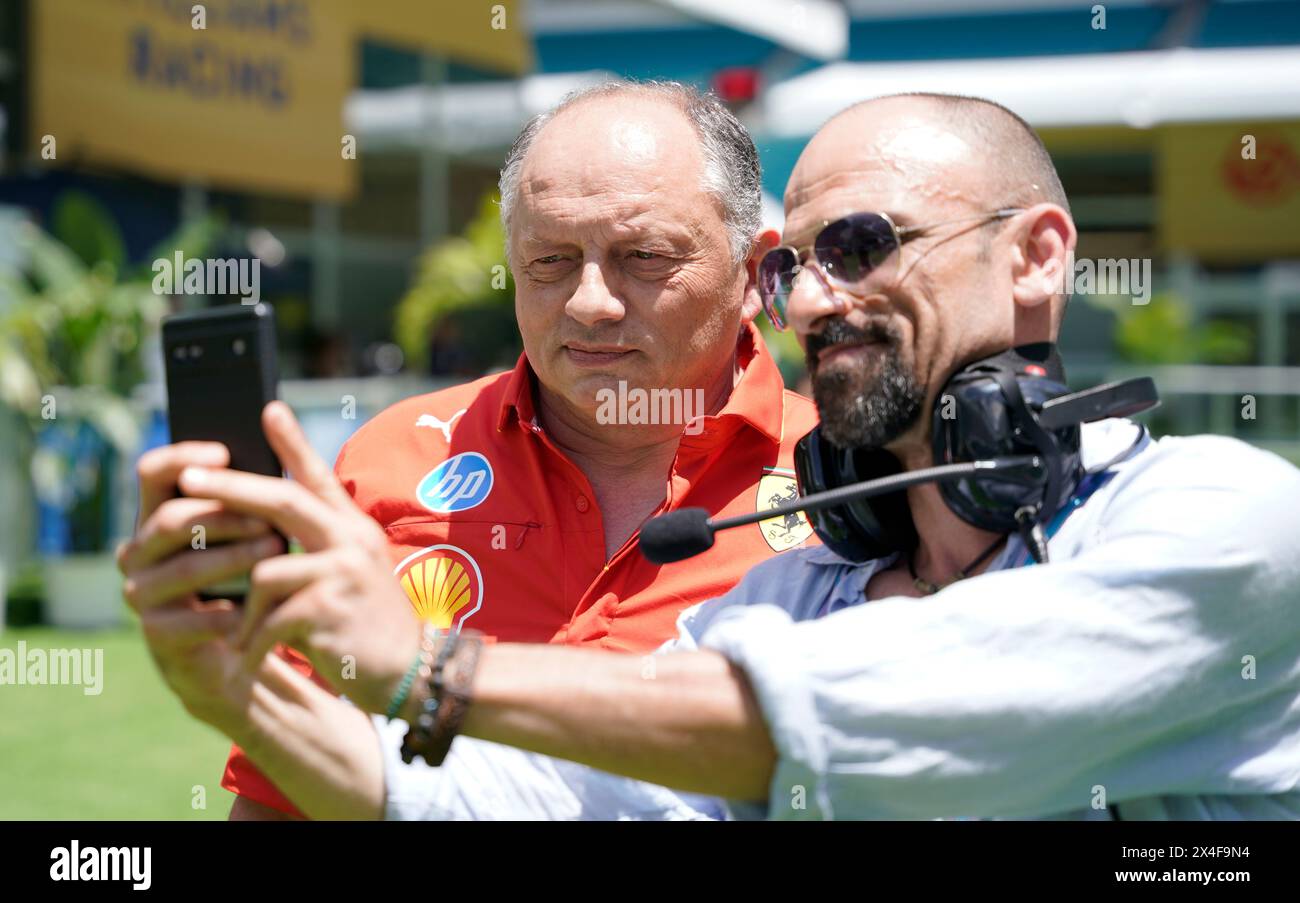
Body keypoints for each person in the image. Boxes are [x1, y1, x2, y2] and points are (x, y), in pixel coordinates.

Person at [133, 91, 1300, 821]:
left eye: (861, 245)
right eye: (798, 265)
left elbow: (833, 723)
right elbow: (549, 801)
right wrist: (239, 686)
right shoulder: (798, 586)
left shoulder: (1227, 516)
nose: (820, 297)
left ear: (1039, 256)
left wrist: (428, 669)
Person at [116, 81, 819, 820]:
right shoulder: (393, 460)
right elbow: (277, 803)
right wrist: (232, 682)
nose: (589, 301)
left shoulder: (853, 487)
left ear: (752, 274)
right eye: (549, 260)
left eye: (643, 256)